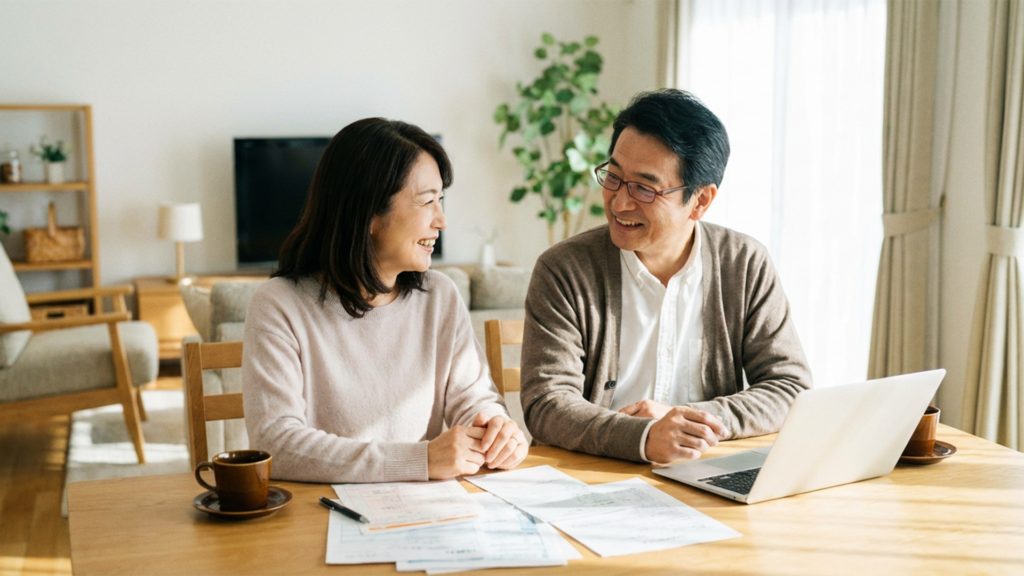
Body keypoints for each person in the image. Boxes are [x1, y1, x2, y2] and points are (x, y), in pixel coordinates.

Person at [520, 89, 812, 464]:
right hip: (595, 475)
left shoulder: (743, 263)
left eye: (644, 188)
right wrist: (643, 437)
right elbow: (547, 403)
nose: (620, 202)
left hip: (705, 471)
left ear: (701, 200)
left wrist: (694, 424)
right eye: (613, 176)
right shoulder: (564, 270)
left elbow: (790, 387)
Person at [243, 118, 528, 483]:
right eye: (427, 202)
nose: (441, 221)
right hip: (321, 516)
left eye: (440, 201)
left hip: (425, 513)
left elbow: (473, 399)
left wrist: (495, 427)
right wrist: (419, 460)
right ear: (369, 215)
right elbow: (276, 444)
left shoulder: (439, 296)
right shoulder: (278, 306)